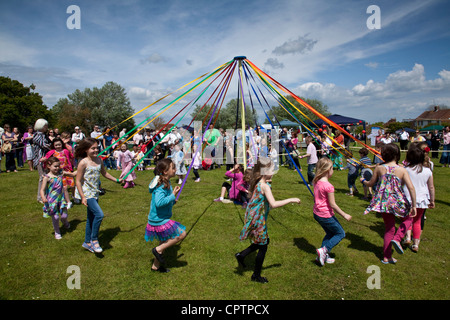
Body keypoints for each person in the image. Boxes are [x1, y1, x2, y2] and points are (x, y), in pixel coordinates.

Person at [236, 158, 301, 283]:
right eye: (271, 170)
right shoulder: (264, 186)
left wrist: (267, 180)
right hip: (258, 220)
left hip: (254, 217)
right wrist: (291, 199)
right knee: (263, 246)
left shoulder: (257, 181)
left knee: (263, 242)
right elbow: (273, 204)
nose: (273, 172)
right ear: (265, 171)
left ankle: (241, 255)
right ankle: (256, 275)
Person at [361, 143, 416, 264]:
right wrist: (414, 205)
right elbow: (411, 188)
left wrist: (363, 181)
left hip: (384, 202)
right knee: (408, 219)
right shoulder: (402, 170)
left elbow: (371, 184)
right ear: (397, 155)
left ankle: (387, 256)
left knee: (389, 229)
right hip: (398, 201)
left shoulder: (379, 168)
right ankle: (397, 239)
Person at [75, 138, 122, 254]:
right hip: (87, 194)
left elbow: (104, 173)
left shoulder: (99, 160)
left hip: (95, 193)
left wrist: (116, 180)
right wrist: (83, 197)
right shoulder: (83, 162)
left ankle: (87, 242)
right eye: (93, 148)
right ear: (86, 150)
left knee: (91, 218)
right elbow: (78, 181)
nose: (96, 150)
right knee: (99, 215)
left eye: (97, 148)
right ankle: (94, 239)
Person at [145, 158, 187, 273]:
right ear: (165, 171)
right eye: (173, 167)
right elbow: (159, 203)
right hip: (159, 219)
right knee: (182, 234)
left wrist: (172, 200)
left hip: (158, 218)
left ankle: (155, 266)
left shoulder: (165, 183)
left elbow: (164, 201)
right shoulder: (162, 185)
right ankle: (157, 250)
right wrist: (172, 196)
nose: (175, 169)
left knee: (163, 241)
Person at [312, 157, 352, 266]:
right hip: (325, 215)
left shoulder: (316, 181)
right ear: (327, 170)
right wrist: (344, 215)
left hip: (317, 213)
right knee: (340, 233)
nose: (333, 170)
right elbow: (333, 204)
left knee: (330, 233)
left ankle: (323, 255)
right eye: (332, 168)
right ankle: (324, 250)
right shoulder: (329, 186)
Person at [402, 144, 435, 253]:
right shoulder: (427, 171)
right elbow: (431, 187)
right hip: (422, 200)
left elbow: (401, 184)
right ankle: (416, 244)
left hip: (408, 199)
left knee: (407, 220)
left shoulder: (406, 170)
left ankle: (407, 238)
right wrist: (432, 200)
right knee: (417, 222)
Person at [39, 157, 70, 239]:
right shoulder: (47, 177)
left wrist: (79, 171)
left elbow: (71, 174)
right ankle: (57, 232)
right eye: (55, 166)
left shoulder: (60, 173)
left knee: (64, 216)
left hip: (61, 199)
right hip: (52, 201)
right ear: (49, 166)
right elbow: (42, 190)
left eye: (58, 166)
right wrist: (43, 197)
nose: (57, 168)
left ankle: (65, 222)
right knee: (55, 217)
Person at [41, 137, 75, 208]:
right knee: (64, 187)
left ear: (62, 144)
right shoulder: (52, 152)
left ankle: (73, 195)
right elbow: (47, 158)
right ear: (54, 146)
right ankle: (68, 202)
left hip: (67, 170)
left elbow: (71, 157)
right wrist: (44, 159)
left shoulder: (65, 151)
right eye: (56, 145)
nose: (58, 146)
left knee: (72, 185)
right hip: (59, 172)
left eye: (59, 145)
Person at [32, 119, 51, 203]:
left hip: (46, 158)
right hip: (40, 159)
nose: (46, 127)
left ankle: (46, 194)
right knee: (42, 177)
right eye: (45, 126)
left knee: (46, 176)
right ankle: (40, 196)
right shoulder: (38, 135)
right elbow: (44, 145)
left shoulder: (43, 135)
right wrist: (52, 145)